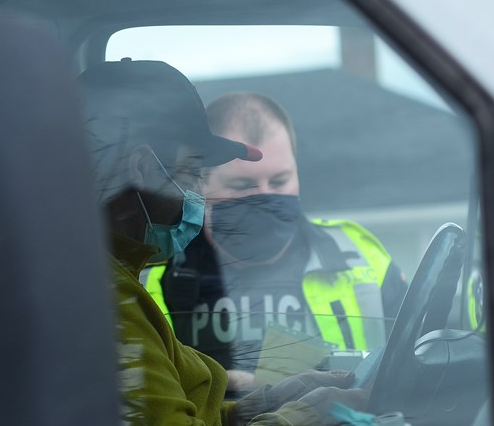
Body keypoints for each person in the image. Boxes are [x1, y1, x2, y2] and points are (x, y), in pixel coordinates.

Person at [35, 60, 365, 426]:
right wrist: (299, 424)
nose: (197, 193)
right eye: (192, 173)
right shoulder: (95, 302)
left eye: (278, 180)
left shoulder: (109, 279)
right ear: (146, 170)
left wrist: (264, 406)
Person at [141, 92, 408, 390]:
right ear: (200, 182)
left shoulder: (359, 256)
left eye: (279, 181)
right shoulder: (154, 275)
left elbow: (414, 366)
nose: (265, 197)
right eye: (243, 185)